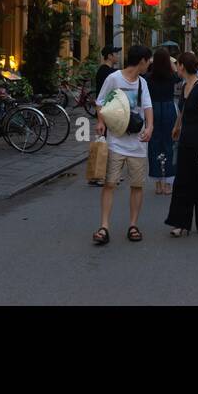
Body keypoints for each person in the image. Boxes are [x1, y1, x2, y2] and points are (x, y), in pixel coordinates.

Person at [93, 45, 154, 246]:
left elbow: (147, 107)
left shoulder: (142, 83)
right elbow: (100, 101)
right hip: (116, 141)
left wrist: (150, 126)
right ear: (142, 61)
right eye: (148, 60)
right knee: (110, 183)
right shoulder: (113, 78)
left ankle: (133, 225)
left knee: (137, 185)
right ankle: (104, 227)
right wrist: (100, 121)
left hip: (137, 142)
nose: (149, 64)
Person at [166, 51, 198, 236]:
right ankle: (181, 223)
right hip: (185, 139)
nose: (176, 68)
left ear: (182, 66)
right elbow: (182, 110)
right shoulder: (184, 86)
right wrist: (176, 126)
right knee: (182, 182)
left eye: (177, 65)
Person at [146, 48, 178, 195]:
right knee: (169, 144)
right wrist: (171, 62)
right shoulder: (172, 76)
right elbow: (178, 72)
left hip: (153, 110)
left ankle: (158, 183)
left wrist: (151, 63)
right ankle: (168, 183)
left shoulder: (148, 77)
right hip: (168, 108)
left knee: (154, 145)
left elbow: (145, 72)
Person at [88, 46, 121, 187]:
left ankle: (109, 174)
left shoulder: (108, 71)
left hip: (109, 109)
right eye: (115, 54)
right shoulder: (106, 72)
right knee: (106, 141)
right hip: (106, 110)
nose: (117, 56)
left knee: (109, 140)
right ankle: (101, 175)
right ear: (109, 56)